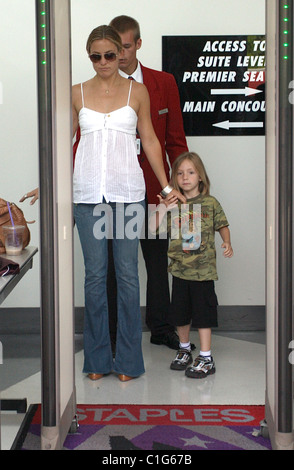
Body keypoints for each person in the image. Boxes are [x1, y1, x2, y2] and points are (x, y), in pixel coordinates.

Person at [72, 25, 184, 382]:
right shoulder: (76, 93)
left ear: (121, 54)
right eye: (96, 56)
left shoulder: (138, 92)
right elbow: (63, 144)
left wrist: (166, 189)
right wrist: (48, 182)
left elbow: (150, 140)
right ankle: (98, 359)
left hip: (128, 195)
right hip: (88, 195)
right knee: (93, 278)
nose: (104, 62)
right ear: (88, 56)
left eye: (110, 54)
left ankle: (129, 361)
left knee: (127, 277)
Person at [106, 15, 190, 352]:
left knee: (157, 262)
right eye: (114, 48)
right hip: (114, 190)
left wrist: (182, 186)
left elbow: (175, 141)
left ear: (138, 44)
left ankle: (161, 327)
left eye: (125, 46)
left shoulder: (164, 82)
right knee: (114, 264)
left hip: (157, 191)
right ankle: (111, 332)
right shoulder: (102, 86)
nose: (120, 54)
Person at [149, 151, 233, 378]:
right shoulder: (173, 204)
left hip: (203, 273)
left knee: (203, 315)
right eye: (180, 173)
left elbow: (222, 224)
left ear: (201, 177)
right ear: (174, 179)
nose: (185, 177)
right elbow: (151, 228)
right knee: (180, 315)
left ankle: (206, 357)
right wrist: (163, 207)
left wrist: (226, 241)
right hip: (179, 272)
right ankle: (184, 350)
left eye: (191, 172)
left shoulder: (210, 203)